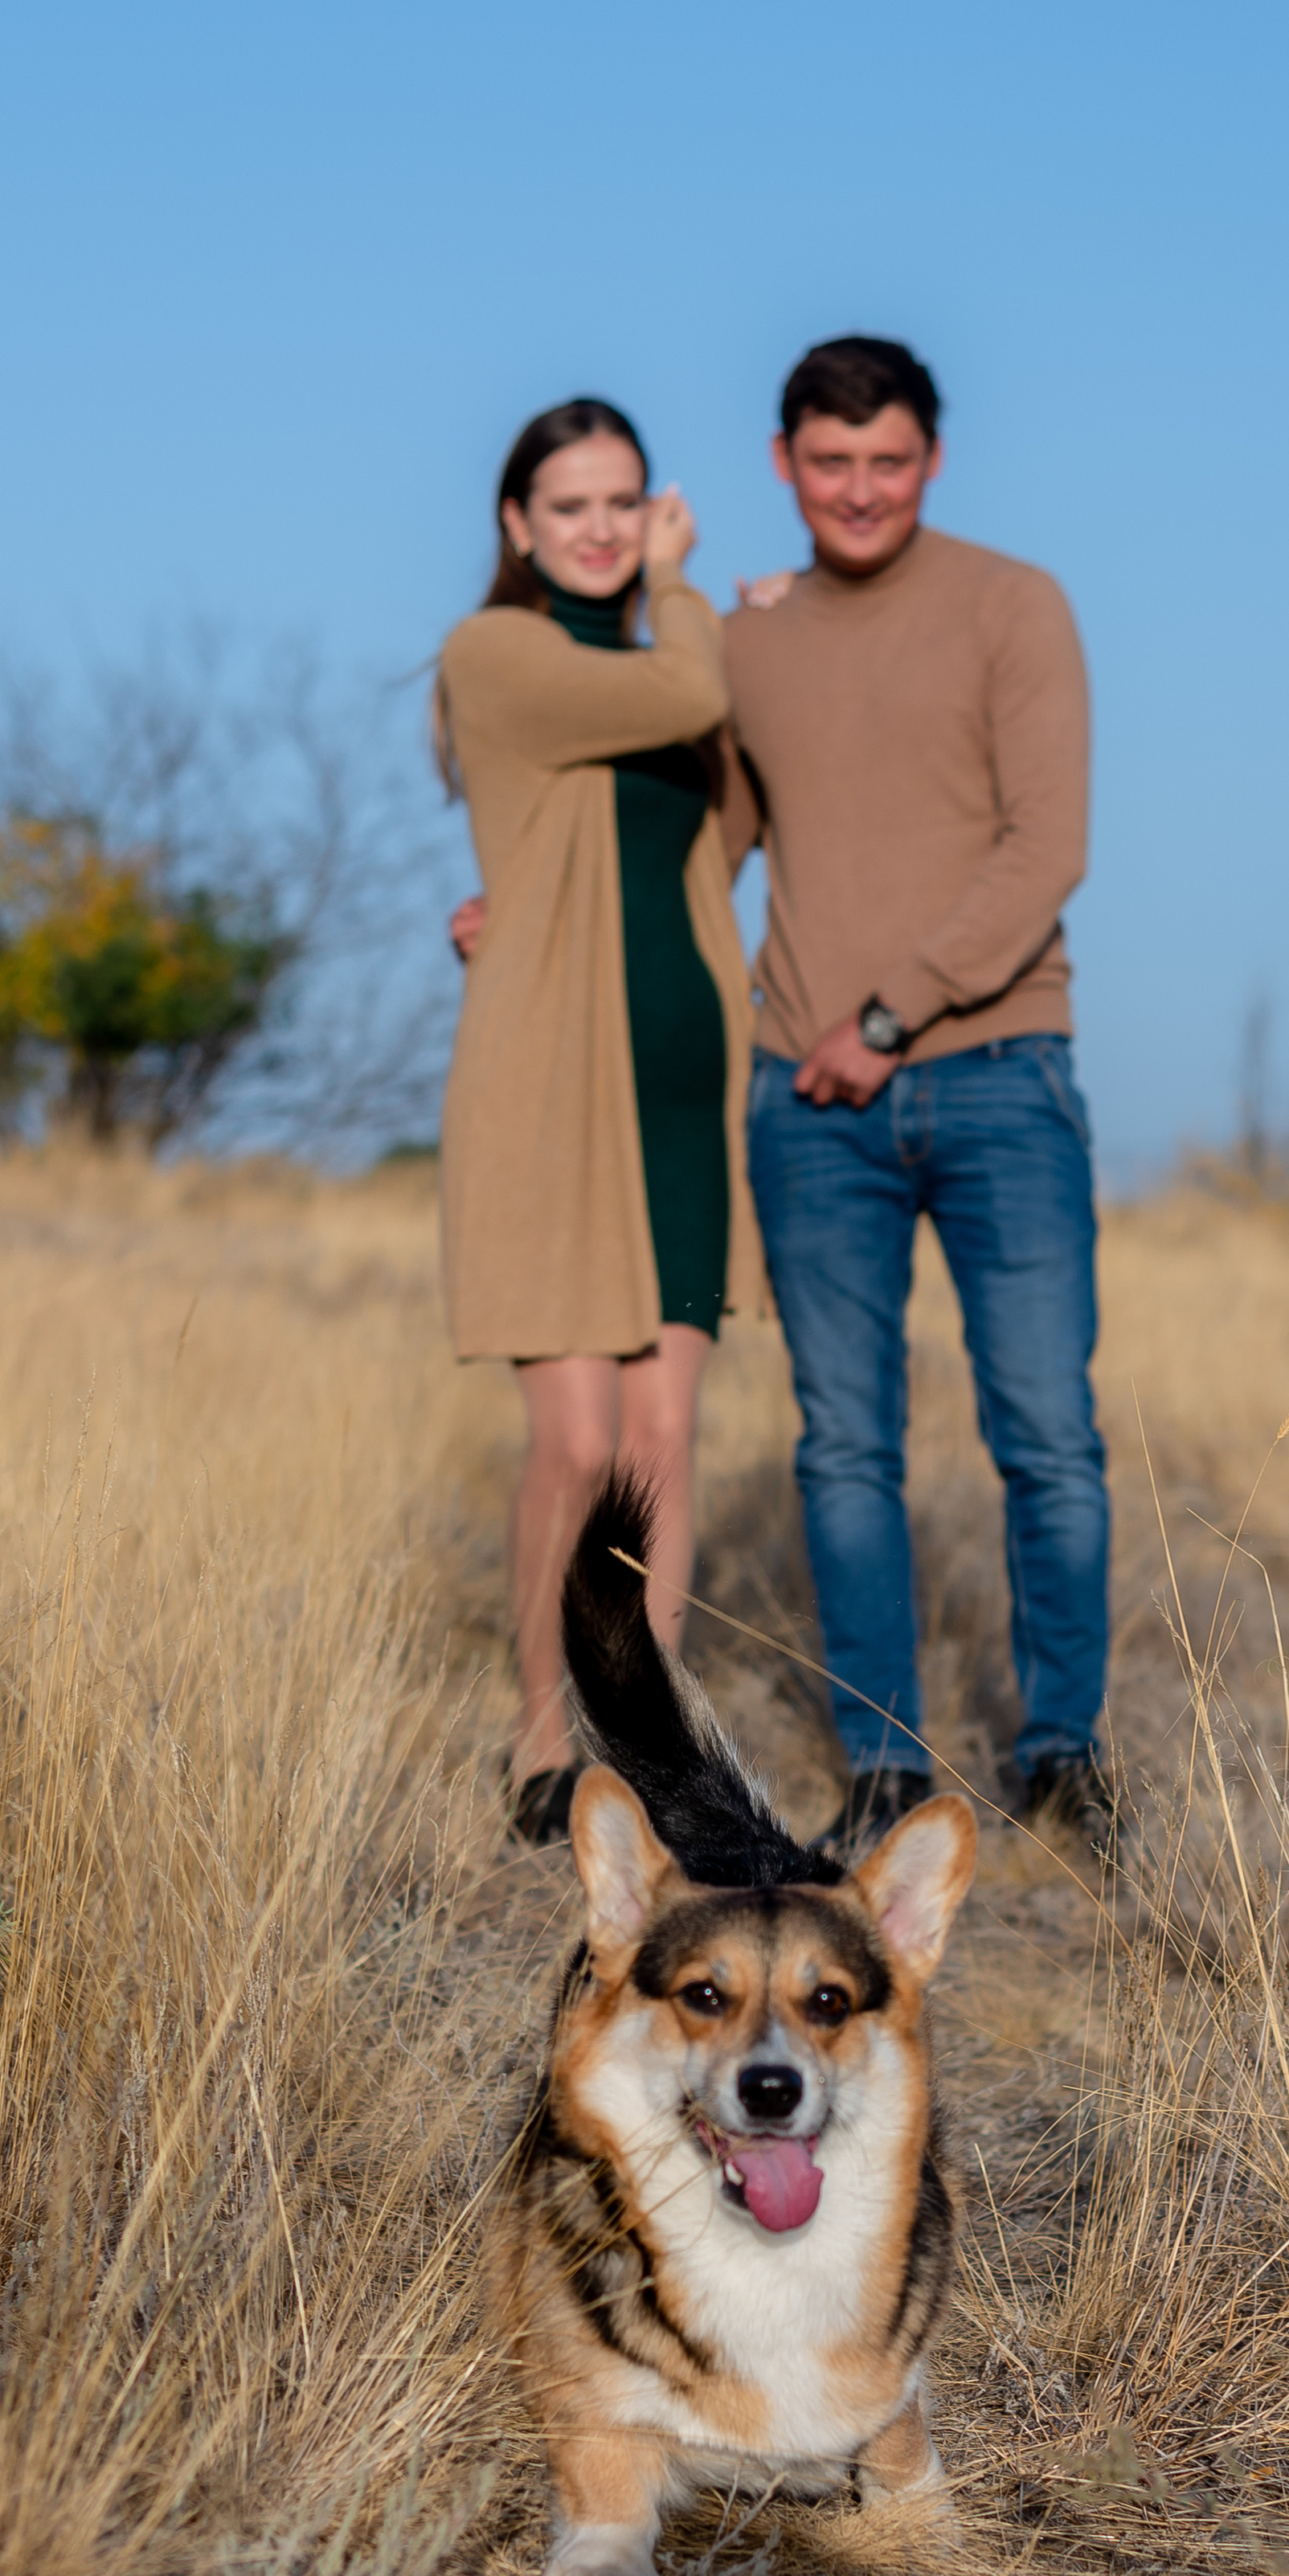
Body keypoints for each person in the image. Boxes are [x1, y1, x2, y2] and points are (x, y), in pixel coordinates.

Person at [721, 337, 1113, 1859]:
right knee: (844, 1440)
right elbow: (711, 841)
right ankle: (880, 1763)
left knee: (1046, 1430)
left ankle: (1064, 1748)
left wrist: (887, 1014)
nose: (862, 489)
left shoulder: (1016, 605)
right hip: (810, 1107)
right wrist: (531, 907)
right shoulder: (751, 643)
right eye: (833, 463)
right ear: (784, 464)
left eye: (890, 462)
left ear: (933, 459)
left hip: (1002, 1075)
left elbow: (1047, 847)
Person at [435, 398, 760, 1844]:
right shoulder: (498, 654)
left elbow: (733, 813)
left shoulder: (666, 655)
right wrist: (692, 592)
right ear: (518, 521)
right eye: (572, 504)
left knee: (663, 1432)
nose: (604, 528)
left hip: (684, 1083)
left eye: (626, 502)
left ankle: (646, 1747)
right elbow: (685, 704)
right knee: (576, 1443)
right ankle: (541, 1727)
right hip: (550, 1088)